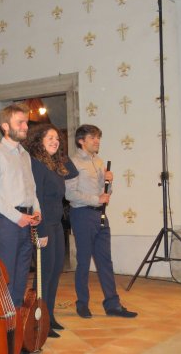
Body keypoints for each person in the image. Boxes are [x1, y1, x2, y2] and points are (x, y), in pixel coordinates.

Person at [65, 124, 137, 319]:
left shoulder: (99, 161)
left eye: (98, 138)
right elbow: (70, 194)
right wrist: (97, 199)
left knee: (105, 261)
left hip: (101, 215)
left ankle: (112, 305)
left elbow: (105, 194)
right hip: (82, 215)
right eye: (93, 138)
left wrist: (109, 181)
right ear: (81, 141)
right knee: (83, 261)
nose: (97, 141)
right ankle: (82, 304)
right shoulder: (72, 163)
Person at [0, 103, 42, 307]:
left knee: (22, 275)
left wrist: (36, 210)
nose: (25, 126)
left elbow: (31, 188)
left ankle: (16, 322)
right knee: (5, 276)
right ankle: (3, 324)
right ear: (5, 126)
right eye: (20, 122)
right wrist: (18, 217)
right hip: (8, 222)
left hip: (26, 221)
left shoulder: (25, 155)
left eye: (26, 122)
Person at [24, 124, 78, 338]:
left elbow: (73, 171)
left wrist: (60, 152)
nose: (56, 141)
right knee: (44, 274)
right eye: (50, 138)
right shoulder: (37, 164)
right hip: (44, 224)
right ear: (39, 141)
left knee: (55, 272)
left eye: (58, 138)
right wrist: (41, 229)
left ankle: (49, 316)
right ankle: (38, 319)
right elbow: (35, 199)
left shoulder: (54, 165)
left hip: (56, 224)